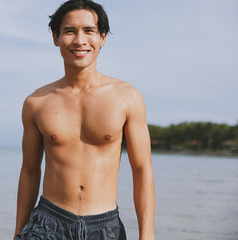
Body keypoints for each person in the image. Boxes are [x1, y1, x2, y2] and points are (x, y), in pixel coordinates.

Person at [14, 0, 155, 239]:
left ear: (102, 38)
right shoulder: (36, 102)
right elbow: (29, 171)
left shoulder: (127, 97)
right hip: (47, 223)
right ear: (55, 38)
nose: (80, 40)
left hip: (104, 226)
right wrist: (17, 233)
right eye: (70, 31)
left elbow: (142, 170)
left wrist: (147, 235)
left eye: (89, 31)